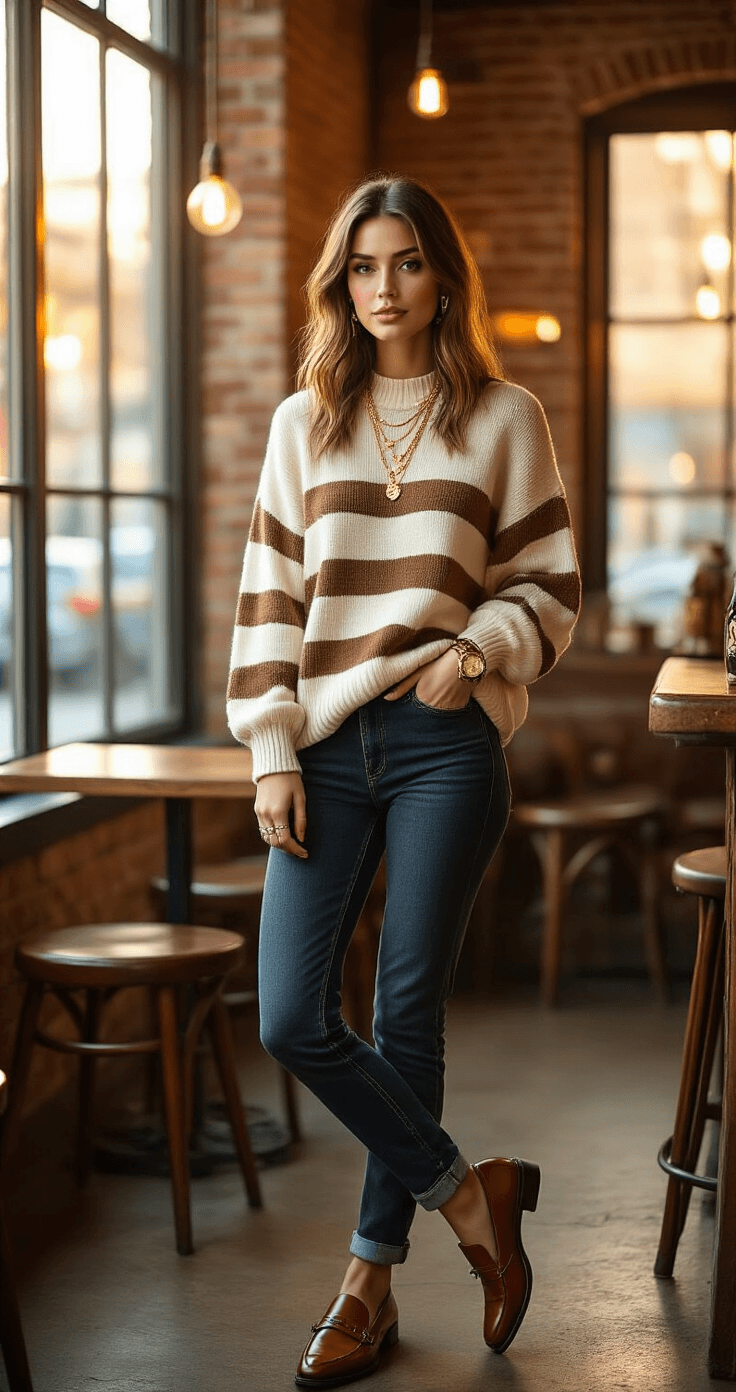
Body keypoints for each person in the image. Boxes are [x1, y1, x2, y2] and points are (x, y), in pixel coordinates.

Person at [227, 174, 580, 1387]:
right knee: (288, 1016)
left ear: (443, 279)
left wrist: (475, 651)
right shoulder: (300, 424)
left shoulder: (503, 416)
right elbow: (271, 606)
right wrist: (272, 752)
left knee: (406, 1012)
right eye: (364, 268)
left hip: (441, 746)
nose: (384, 289)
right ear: (344, 282)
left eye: (407, 264)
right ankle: (471, 1203)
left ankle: (366, 1284)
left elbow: (549, 587)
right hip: (325, 750)